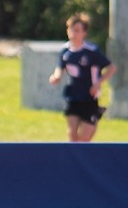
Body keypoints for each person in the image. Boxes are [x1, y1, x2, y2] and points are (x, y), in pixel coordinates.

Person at [48, 13, 117, 142]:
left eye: (77, 30)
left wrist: (98, 83)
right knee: (72, 135)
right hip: (73, 96)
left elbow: (112, 68)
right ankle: (72, 161)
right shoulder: (65, 50)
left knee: (84, 139)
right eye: (71, 29)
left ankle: (96, 114)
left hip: (89, 96)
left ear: (84, 33)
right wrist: (56, 76)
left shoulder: (92, 51)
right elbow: (60, 67)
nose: (73, 33)